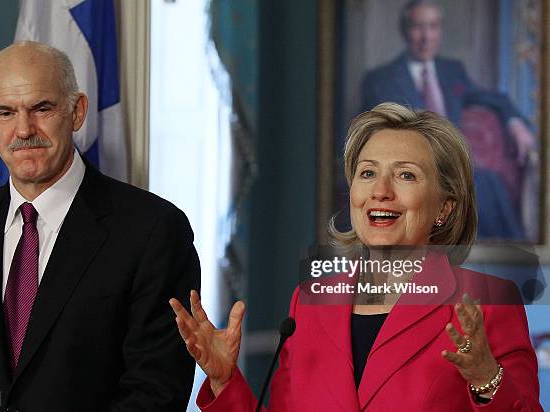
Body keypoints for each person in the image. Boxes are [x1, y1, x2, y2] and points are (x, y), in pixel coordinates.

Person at [169, 103, 542, 411]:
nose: (380, 191)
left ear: (443, 207)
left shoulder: (489, 303)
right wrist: (223, 381)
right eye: (367, 173)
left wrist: (485, 377)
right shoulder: (310, 301)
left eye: (406, 176)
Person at [0, 41, 200, 411]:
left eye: (42, 108)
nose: (24, 129)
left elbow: (154, 392)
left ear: (77, 111)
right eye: (6, 113)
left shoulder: (153, 230)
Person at [360, 0, 537, 240]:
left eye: (433, 27)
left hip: (452, 168)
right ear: (404, 31)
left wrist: (515, 122)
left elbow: (495, 99)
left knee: (489, 186)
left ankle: (508, 260)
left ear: (439, 31)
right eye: (418, 27)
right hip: (409, 172)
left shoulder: (451, 71)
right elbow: (371, 136)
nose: (426, 37)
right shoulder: (380, 80)